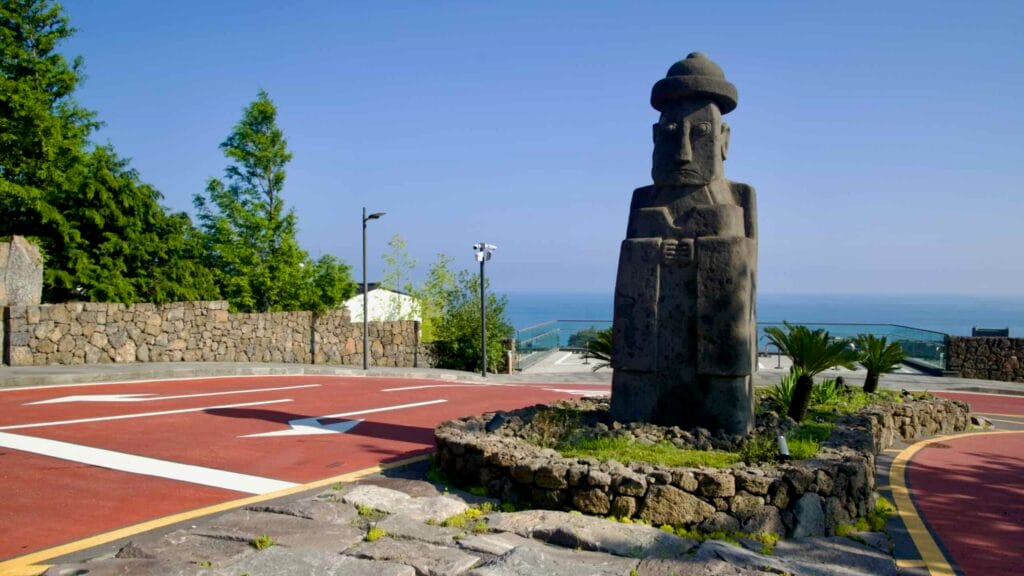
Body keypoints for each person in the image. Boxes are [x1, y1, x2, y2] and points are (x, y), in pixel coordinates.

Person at [611, 53, 757, 435]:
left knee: (722, 365)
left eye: (701, 134)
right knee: (639, 371)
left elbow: (746, 269)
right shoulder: (644, 197)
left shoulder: (737, 197)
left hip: (710, 338)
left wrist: (703, 254)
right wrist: (655, 253)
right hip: (654, 333)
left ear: (724, 140)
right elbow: (629, 264)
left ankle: (721, 418)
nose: (684, 153)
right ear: (656, 138)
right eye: (671, 134)